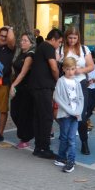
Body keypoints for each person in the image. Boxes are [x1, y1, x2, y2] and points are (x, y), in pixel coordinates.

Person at [56, 26, 95, 156]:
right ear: (66, 38)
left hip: (80, 83)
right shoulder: (61, 49)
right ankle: (66, 139)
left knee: (81, 115)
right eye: (70, 38)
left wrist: (80, 70)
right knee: (65, 113)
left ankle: (84, 141)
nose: (72, 40)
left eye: (75, 38)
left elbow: (91, 66)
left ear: (78, 38)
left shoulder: (84, 49)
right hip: (66, 84)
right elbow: (55, 63)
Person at [30, 28, 62, 159]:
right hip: (43, 88)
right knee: (47, 118)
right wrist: (58, 80)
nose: (59, 45)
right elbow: (53, 67)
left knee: (39, 117)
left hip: (36, 87)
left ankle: (38, 147)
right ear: (53, 39)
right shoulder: (48, 47)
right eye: (59, 42)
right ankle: (44, 148)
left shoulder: (41, 46)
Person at [53, 57, 85, 173]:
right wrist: (72, 112)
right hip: (66, 115)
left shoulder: (77, 82)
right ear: (63, 69)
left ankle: (71, 161)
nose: (71, 71)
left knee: (71, 139)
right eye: (68, 69)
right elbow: (57, 98)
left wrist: (78, 111)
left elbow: (81, 98)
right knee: (64, 137)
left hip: (75, 115)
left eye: (72, 69)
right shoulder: (61, 81)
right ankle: (61, 157)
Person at [9, 33, 35, 149]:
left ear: (31, 43)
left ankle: (25, 138)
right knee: (14, 112)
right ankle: (26, 134)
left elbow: (23, 73)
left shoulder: (30, 56)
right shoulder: (21, 53)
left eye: (25, 40)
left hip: (26, 88)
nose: (22, 42)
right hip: (18, 86)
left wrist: (13, 85)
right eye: (22, 40)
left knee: (23, 113)